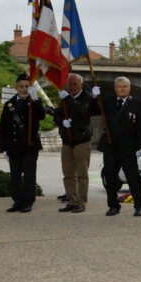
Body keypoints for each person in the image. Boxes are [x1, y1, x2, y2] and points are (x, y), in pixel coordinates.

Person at [92, 76, 141, 217]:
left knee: (133, 177)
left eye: (124, 87)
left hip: (128, 147)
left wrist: (140, 147)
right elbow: (92, 110)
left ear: (129, 88)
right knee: (110, 176)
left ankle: (139, 205)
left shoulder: (137, 103)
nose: (122, 89)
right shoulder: (108, 101)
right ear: (115, 88)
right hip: (111, 146)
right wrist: (93, 96)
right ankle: (113, 205)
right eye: (119, 87)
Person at [0, 73, 46, 213]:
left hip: (29, 145)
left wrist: (35, 98)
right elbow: (3, 127)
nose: (24, 89)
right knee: (15, 176)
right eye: (22, 86)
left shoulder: (34, 102)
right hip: (14, 146)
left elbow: (41, 115)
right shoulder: (10, 104)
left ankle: (28, 201)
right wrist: (4, 148)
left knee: (29, 176)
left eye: (27, 86)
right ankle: (17, 201)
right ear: (16, 87)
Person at [53, 73, 94, 214]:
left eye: (75, 84)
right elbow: (57, 115)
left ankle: (81, 202)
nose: (72, 87)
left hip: (81, 140)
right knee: (68, 173)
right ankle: (71, 200)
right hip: (67, 141)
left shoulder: (87, 98)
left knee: (82, 174)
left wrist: (68, 98)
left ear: (81, 85)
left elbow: (82, 113)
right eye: (70, 84)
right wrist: (61, 122)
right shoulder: (66, 99)